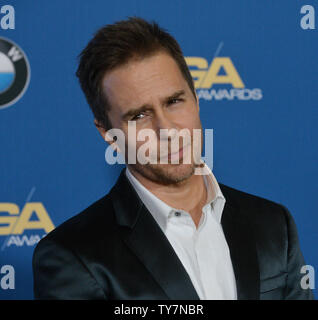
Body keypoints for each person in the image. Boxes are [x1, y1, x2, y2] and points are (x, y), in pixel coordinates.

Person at [32, 17, 313, 300]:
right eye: (139, 115)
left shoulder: (274, 225)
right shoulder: (72, 256)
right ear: (108, 134)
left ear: (196, 98)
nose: (166, 130)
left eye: (174, 101)